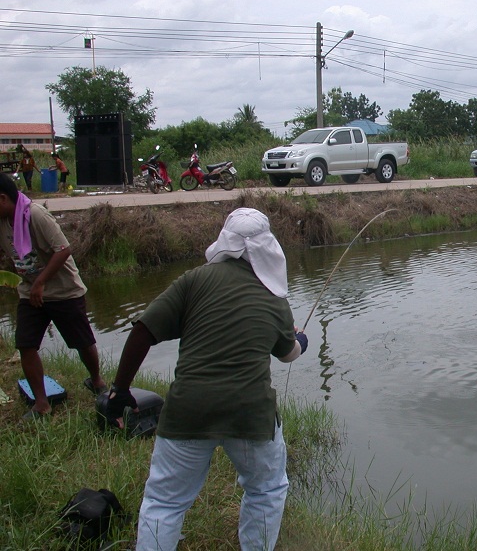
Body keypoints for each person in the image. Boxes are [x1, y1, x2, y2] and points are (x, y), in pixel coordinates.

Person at [107, 207, 308, 551]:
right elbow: (288, 353)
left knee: (165, 501)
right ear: (267, 245)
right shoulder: (274, 298)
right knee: (266, 490)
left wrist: (120, 390)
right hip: (250, 414)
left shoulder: (193, 280)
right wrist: (300, 338)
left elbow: (143, 330)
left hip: (189, 408)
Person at [0, 173, 105, 420]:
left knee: (82, 342)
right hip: (29, 291)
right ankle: (41, 403)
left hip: (63, 291)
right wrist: (33, 285)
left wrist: (41, 282)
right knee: (25, 344)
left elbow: (63, 249)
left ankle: (97, 381)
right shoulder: (2, 221)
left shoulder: (35, 215)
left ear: (3, 199)